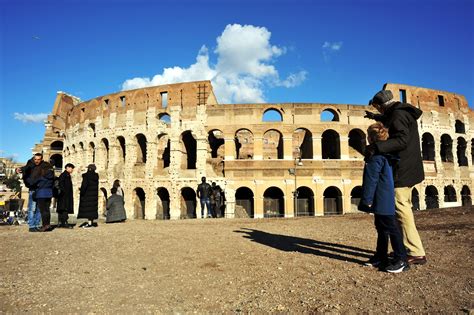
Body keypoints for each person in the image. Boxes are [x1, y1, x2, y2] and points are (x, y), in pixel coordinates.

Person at [365, 89, 427, 265]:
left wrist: (377, 147)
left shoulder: (398, 115)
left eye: (377, 108)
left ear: (380, 105)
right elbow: (391, 122)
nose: (378, 111)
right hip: (409, 167)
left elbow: (401, 140)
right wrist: (375, 118)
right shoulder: (400, 112)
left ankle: (415, 251)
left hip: (402, 169)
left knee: (401, 210)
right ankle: (406, 248)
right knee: (403, 207)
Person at [359, 122, 408, 273]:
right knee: (382, 228)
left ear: (371, 138)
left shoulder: (375, 157)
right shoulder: (386, 154)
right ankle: (381, 255)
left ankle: (401, 259)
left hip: (380, 196)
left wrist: (366, 200)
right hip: (384, 195)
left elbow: (371, 179)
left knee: (391, 228)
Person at [27, 158, 55, 232]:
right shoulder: (52, 176)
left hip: (41, 194)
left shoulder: (42, 177)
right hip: (49, 194)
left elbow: (31, 182)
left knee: (43, 211)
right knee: (47, 210)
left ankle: (45, 225)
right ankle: (48, 225)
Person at [16, 154, 42, 232]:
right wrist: (19, 169)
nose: (37, 161)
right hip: (33, 188)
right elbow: (26, 168)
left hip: (41, 189)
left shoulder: (43, 165)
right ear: (33, 159)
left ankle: (37, 225)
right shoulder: (30, 164)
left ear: (41, 159)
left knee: (39, 208)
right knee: (32, 208)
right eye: (35, 159)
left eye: (38, 159)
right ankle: (31, 225)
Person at [77, 164, 99, 228]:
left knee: (88, 210)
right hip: (93, 196)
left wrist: (81, 191)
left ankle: (89, 224)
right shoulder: (95, 176)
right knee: (92, 210)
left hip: (87, 195)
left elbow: (84, 185)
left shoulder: (87, 176)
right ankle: (91, 222)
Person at [56, 163, 75, 228]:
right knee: (64, 209)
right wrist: (64, 192)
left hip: (63, 195)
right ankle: (64, 223)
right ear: (68, 168)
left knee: (62, 209)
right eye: (72, 168)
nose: (72, 170)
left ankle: (60, 222)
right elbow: (61, 184)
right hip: (64, 195)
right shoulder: (65, 175)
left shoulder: (65, 175)